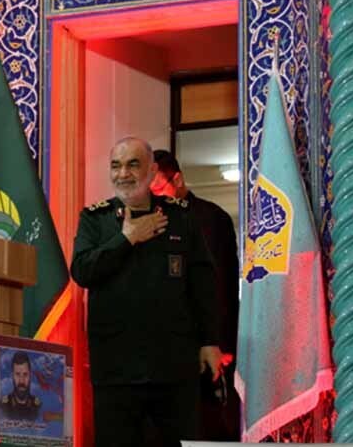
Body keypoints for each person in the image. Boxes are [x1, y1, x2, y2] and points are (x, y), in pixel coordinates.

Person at [70, 137, 222, 447]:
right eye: (116, 166)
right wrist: (126, 239)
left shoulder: (180, 217)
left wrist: (210, 341)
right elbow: (82, 271)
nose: (123, 174)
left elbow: (203, 283)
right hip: (116, 369)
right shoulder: (95, 219)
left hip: (174, 367)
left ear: (152, 171)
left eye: (133, 164)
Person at [151, 149, 241, 441]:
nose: (155, 198)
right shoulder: (150, 220)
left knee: (207, 424)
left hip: (205, 346)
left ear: (177, 180)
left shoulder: (211, 218)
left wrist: (221, 342)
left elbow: (223, 287)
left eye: (158, 189)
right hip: (164, 348)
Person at [0, 351, 42, 421]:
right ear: (12, 376)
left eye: (25, 374)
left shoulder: (38, 406)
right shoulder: (3, 405)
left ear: (30, 376)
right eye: (17, 374)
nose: (21, 380)